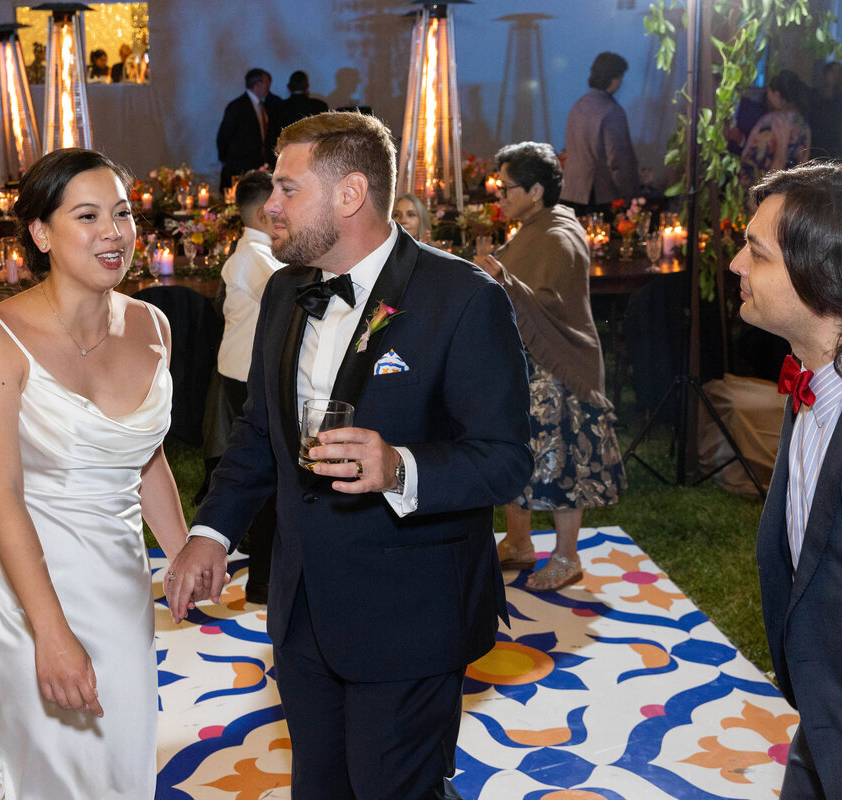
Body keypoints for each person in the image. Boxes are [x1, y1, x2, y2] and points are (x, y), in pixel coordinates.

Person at [166, 112, 532, 799]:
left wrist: (400, 467)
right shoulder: (283, 290)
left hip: (409, 617)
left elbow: (506, 461)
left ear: (350, 193)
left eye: (286, 188)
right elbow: (257, 434)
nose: (268, 205)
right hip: (302, 608)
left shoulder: (461, 301)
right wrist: (210, 532)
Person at [0, 148, 189, 797]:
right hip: (22, 577)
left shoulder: (153, 326)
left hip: (116, 576)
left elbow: (148, 460)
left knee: (121, 751)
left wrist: (184, 553)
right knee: (45, 764)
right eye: (87, 216)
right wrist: (50, 632)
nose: (113, 233)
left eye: (122, 213)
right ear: (41, 233)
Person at [727, 161, 842, 798]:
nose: (738, 265)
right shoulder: (808, 384)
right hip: (819, 726)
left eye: (757, 252)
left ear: (821, 279)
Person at [473, 142, 626, 591]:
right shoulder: (534, 228)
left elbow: (551, 306)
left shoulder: (558, 235)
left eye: (508, 188)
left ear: (536, 190)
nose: (500, 197)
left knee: (562, 464)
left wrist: (503, 280)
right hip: (528, 366)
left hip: (560, 366)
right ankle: (520, 543)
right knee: (516, 451)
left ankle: (567, 556)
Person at [206, 169, 284, 604]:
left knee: (264, 476)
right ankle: (264, 582)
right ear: (261, 212)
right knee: (267, 479)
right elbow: (292, 297)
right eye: (280, 198)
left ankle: (262, 570)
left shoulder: (257, 253)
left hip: (240, 373)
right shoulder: (256, 257)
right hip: (246, 377)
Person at [559, 52, 639, 216]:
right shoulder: (611, 111)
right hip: (599, 196)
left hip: (570, 192)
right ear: (614, 78)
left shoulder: (577, 106)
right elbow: (617, 160)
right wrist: (629, 193)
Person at [740, 70, 812, 191]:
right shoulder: (804, 128)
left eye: (769, 91)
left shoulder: (769, 123)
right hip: (790, 195)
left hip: (762, 192)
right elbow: (803, 169)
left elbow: (746, 158)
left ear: (777, 95)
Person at [216, 68, 282, 192]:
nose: (269, 86)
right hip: (239, 167)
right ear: (257, 84)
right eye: (267, 82)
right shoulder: (237, 106)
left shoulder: (264, 107)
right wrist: (225, 161)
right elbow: (223, 136)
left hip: (258, 166)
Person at [273, 70, 328, 137]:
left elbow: (274, 136)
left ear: (288, 87)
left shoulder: (278, 107)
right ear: (307, 86)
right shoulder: (320, 106)